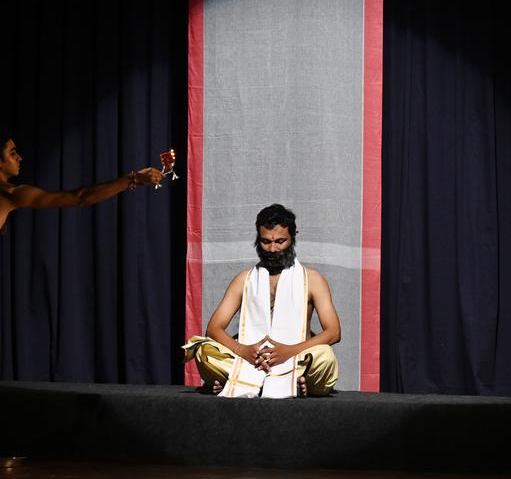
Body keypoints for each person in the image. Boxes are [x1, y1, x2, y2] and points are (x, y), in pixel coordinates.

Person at [182, 203, 340, 397]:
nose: (273, 249)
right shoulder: (243, 280)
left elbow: (333, 331)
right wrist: (243, 350)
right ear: (258, 238)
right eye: (266, 242)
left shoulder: (313, 280)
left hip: (296, 358)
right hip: (251, 360)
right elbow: (213, 328)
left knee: (325, 357)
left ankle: (233, 382)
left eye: (280, 241)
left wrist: (288, 351)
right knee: (203, 350)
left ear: (294, 237)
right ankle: (293, 386)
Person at [0, 133, 163, 232]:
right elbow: (80, 198)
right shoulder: (9, 194)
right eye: (12, 154)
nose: (19, 158)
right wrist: (132, 178)